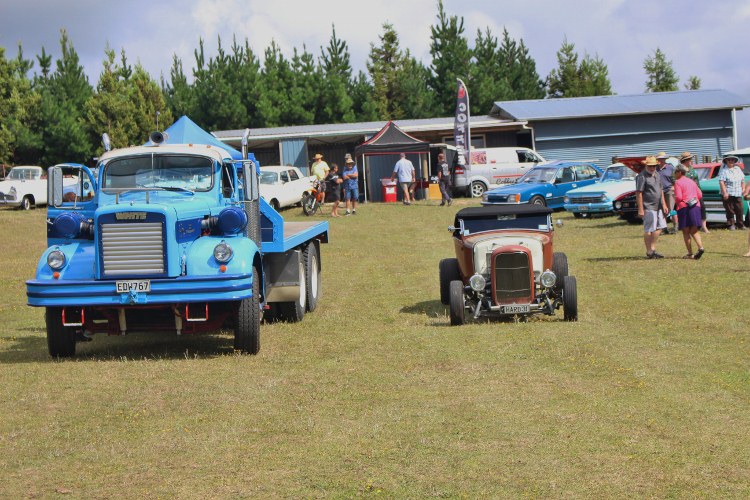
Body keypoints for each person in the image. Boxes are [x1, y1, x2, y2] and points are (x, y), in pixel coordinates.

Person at [636, 155, 669, 259]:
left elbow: (661, 190)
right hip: (648, 206)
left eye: (654, 166)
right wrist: (641, 209)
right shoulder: (641, 176)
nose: (652, 168)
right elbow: (639, 193)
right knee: (649, 229)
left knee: (660, 227)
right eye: (650, 166)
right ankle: (649, 251)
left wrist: (664, 204)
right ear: (646, 166)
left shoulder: (657, 175)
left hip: (659, 206)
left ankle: (652, 249)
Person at [673, 163, 705, 259]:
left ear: (679, 172)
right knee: (694, 230)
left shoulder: (678, 182)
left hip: (684, 208)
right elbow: (699, 195)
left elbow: (679, 197)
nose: (674, 174)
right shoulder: (692, 182)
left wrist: (675, 200)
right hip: (696, 206)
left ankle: (690, 253)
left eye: (675, 172)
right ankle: (701, 247)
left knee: (686, 231)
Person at [678, 151, 710, 233]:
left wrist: (699, 190)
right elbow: (676, 180)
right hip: (687, 193)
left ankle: (704, 226)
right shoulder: (680, 169)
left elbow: (696, 180)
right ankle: (691, 225)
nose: (691, 160)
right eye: (689, 159)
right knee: (689, 209)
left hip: (696, 191)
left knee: (702, 208)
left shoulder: (692, 168)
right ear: (685, 161)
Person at [718, 154, 745, 230]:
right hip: (728, 193)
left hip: (738, 193)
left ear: (734, 161)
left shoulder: (738, 169)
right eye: (729, 160)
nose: (731, 161)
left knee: (740, 209)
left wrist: (743, 189)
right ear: (726, 161)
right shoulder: (724, 170)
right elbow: (721, 182)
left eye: (732, 160)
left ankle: (741, 225)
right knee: (730, 210)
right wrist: (725, 193)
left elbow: (743, 180)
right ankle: (731, 225)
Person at [656, 151, 677, 234]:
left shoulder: (670, 168)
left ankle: (676, 226)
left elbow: (675, 179)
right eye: (659, 159)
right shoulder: (655, 168)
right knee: (662, 210)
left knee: (671, 209)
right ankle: (664, 228)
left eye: (662, 159)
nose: (661, 160)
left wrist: (674, 187)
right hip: (659, 192)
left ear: (665, 159)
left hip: (669, 190)